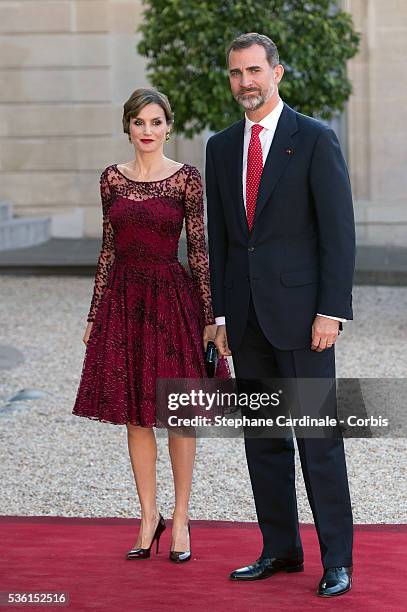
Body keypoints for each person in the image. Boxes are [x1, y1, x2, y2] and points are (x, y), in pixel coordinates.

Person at [205, 33, 355, 597]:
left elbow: (339, 233)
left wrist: (331, 311)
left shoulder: (314, 139)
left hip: (304, 320)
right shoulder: (221, 148)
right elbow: (222, 240)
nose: (246, 82)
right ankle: (280, 549)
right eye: (236, 73)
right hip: (244, 320)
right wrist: (219, 315)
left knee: (318, 439)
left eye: (254, 71)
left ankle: (336, 559)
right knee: (264, 440)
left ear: (277, 72)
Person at [72, 87, 229, 563]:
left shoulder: (186, 179)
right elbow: (107, 249)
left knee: (178, 413)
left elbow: (200, 253)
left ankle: (180, 519)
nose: (148, 131)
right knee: (136, 414)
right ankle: (148, 516)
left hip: (171, 300)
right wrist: (94, 313)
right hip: (123, 300)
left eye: (156, 122)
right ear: (128, 126)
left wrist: (209, 319)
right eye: (139, 122)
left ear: (169, 126)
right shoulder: (110, 180)